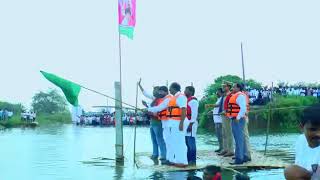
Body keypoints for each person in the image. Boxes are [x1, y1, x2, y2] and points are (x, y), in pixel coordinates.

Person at [147, 82, 188, 167]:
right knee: (173, 141)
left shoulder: (181, 97)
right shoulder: (172, 98)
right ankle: (172, 160)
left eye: (170, 88)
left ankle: (182, 162)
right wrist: (148, 109)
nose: (169, 90)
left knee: (179, 142)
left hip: (179, 122)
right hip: (173, 123)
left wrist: (181, 123)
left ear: (174, 88)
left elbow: (183, 110)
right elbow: (159, 108)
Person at [284, 104, 320, 180]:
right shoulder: (301, 141)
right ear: (301, 128)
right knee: (291, 171)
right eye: (313, 129)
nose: (318, 134)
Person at [138, 80, 167, 163]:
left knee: (160, 139)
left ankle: (164, 155)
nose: (153, 92)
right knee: (153, 139)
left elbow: (157, 111)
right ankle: (155, 154)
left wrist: (147, 110)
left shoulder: (161, 100)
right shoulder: (154, 99)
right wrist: (139, 85)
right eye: (153, 90)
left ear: (159, 92)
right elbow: (145, 93)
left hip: (158, 122)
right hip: (152, 122)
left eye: (155, 90)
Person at [227, 83, 250, 165]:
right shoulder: (237, 95)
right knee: (241, 138)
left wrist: (238, 117)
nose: (232, 88)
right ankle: (244, 156)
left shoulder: (239, 96)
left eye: (234, 86)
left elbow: (243, 108)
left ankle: (239, 159)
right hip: (237, 119)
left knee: (238, 139)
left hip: (238, 119)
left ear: (238, 88)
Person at [219, 82, 234, 157]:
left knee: (229, 133)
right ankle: (225, 149)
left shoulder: (230, 95)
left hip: (227, 115)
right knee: (224, 133)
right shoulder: (224, 95)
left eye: (224, 86)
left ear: (228, 87)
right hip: (223, 115)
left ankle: (231, 150)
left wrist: (226, 112)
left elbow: (231, 105)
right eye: (223, 86)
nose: (223, 88)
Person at [184, 86, 199, 165]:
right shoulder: (186, 101)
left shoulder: (193, 101)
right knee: (187, 142)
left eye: (186, 90)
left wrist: (190, 124)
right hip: (186, 124)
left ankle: (193, 160)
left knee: (191, 142)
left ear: (190, 91)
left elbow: (194, 114)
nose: (184, 91)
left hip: (191, 124)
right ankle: (188, 159)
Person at [213, 88, 224, 153]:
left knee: (221, 135)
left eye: (218, 92)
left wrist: (210, 105)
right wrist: (212, 110)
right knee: (218, 135)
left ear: (221, 92)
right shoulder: (219, 99)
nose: (217, 93)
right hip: (216, 120)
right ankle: (220, 147)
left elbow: (219, 105)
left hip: (220, 120)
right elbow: (216, 108)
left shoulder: (222, 99)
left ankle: (223, 148)